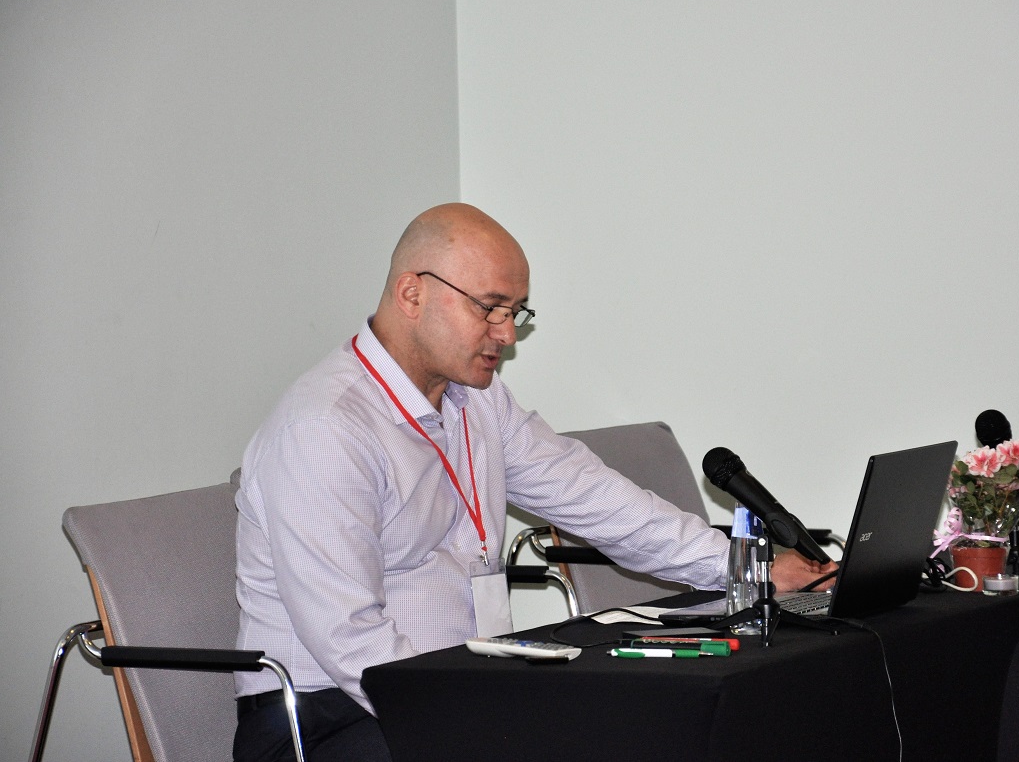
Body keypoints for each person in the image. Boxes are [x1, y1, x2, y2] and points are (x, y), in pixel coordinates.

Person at [232, 203, 835, 761]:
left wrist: (748, 569)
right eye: (489, 308)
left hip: (460, 681)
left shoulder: (477, 401)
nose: (506, 334)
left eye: (515, 312)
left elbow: (595, 498)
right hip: (329, 719)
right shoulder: (327, 427)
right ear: (412, 293)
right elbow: (351, 640)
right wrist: (483, 723)